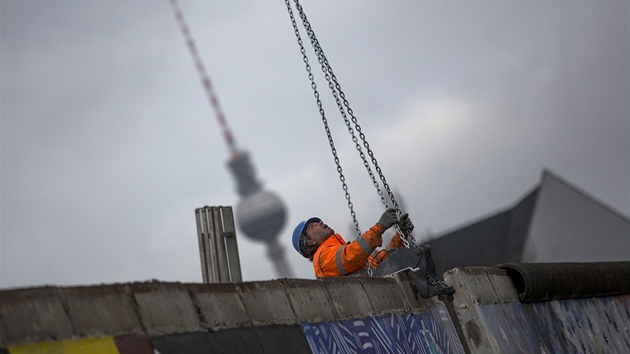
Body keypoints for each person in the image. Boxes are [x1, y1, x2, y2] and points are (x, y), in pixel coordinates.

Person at [292, 208, 414, 278]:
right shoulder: (322, 259)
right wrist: (379, 228)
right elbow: (349, 257)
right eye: (313, 226)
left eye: (318, 222)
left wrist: (401, 236)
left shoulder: (343, 250)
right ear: (310, 242)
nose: (320, 223)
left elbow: (383, 259)